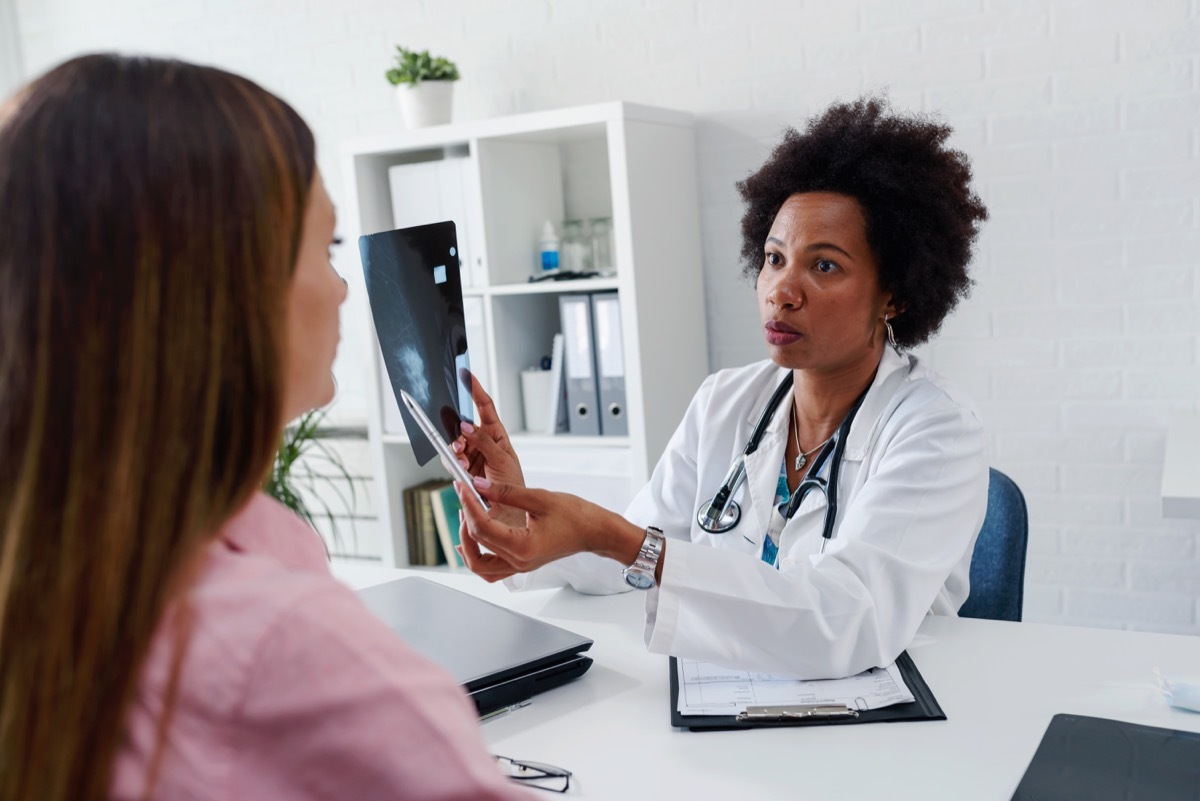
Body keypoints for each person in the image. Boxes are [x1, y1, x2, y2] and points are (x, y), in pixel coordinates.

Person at [0, 55, 531, 801]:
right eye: (326, 249)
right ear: (219, 295)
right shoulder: (276, 641)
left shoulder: (92, 567)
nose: (345, 287)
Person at [454, 96, 991, 680]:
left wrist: (624, 541)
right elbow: (633, 555)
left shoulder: (937, 430)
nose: (781, 290)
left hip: (888, 716)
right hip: (729, 704)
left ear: (896, 295)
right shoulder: (726, 402)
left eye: (825, 266)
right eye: (774, 258)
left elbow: (845, 621)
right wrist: (517, 513)